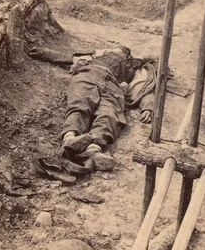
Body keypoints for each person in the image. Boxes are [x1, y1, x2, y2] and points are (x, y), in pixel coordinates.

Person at [29, 44, 159, 171]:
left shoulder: (136, 69)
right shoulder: (98, 57)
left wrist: (147, 107)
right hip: (88, 74)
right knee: (80, 105)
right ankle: (69, 138)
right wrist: (43, 52)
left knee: (109, 114)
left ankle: (94, 150)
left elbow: (142, 87)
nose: (120, 53)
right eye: (118, 50)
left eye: (123, 52)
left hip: (112, 86)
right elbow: (69, 58)